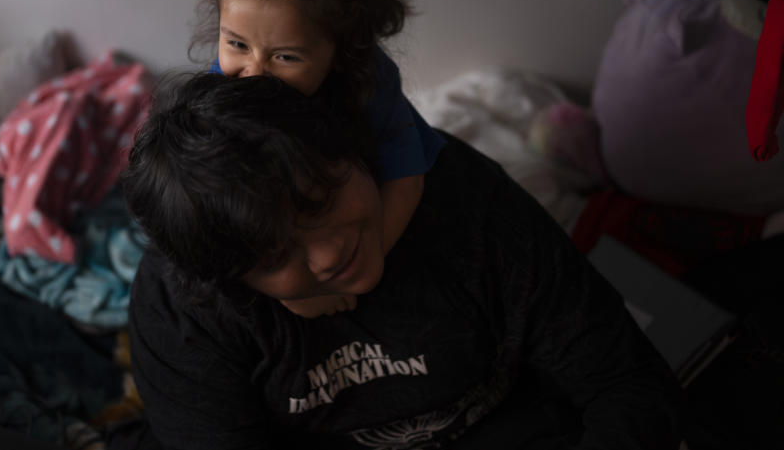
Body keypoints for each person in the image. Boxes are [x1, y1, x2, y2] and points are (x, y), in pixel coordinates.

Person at [122, 73, 688, 450]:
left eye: (321, 203)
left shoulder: (460, 200)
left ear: (350, 151)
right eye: (274, 256)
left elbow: (624, 382)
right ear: (232, 278)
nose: (326, 255)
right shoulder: (183, 306)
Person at [190, 0, 445, 317]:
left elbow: (406, 181)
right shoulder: (226, 81)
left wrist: (347, 275)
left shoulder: (370, 86)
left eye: (285, 56)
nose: (254, 72)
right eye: (237, 43)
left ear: (341, 50)